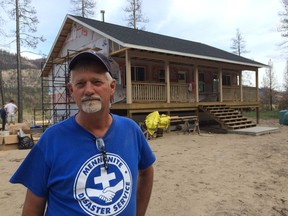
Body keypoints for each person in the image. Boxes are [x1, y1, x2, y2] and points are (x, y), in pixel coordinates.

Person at [10, 50, 156, 216]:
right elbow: (32, 209)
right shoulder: (51, 139)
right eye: (80, 84)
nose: (88, 90)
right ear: (71, 91)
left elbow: (146, 171)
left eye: (96, 82)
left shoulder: (131, 130)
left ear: (112, 87)